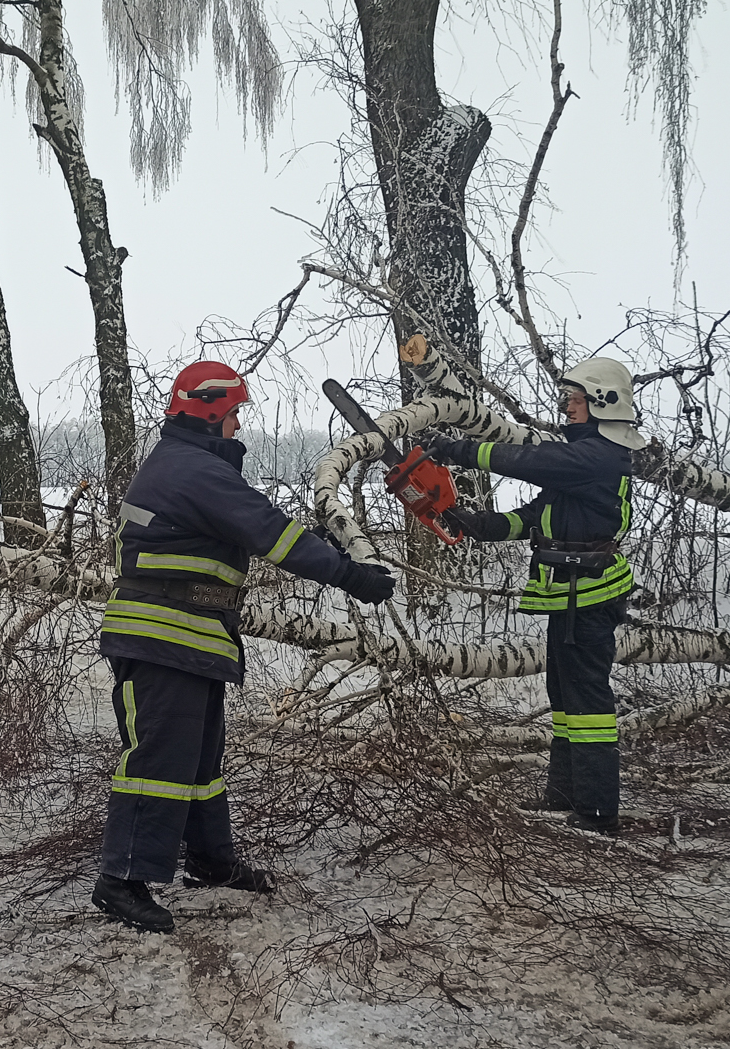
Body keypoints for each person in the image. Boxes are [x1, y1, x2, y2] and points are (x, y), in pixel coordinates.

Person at [93, 361, 397, 932]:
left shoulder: (186, 464)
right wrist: (352, 574)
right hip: (165, 634)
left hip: (182, 633)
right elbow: (270, 532)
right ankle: (121, 880)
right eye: (234, 413)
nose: (238, 425)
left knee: (200, 760)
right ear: (211, 411)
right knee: (158, 760)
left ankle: (210, 859)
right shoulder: (196, 471)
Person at [423, 357, 647, 836]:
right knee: (565, 699)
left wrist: (457, 450)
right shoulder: (579, 459)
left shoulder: (596, 457)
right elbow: (535, 516)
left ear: (603, 403)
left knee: (587, 700)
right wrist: (478, 524)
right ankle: (565, 797)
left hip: (587, 593)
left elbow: (527, 461)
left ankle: (597, 811)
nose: (566, 405)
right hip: (569, 593)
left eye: (576, 398)